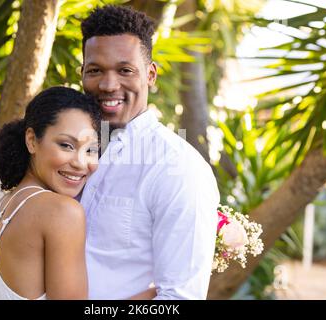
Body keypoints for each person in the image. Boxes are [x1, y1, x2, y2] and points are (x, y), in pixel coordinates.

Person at [79, 5, 220, 300]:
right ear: (82, 74)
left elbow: (179, 299)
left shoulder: (177, 167)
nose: (108, 85)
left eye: (125, 70)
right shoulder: (64, 150)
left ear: (151, 75)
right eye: (95, 71)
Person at [0, 86, 100, 300]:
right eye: (66, 145)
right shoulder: (62, 212)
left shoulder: (6, 203)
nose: (80, 163)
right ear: (31, 140)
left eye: (91, 150)